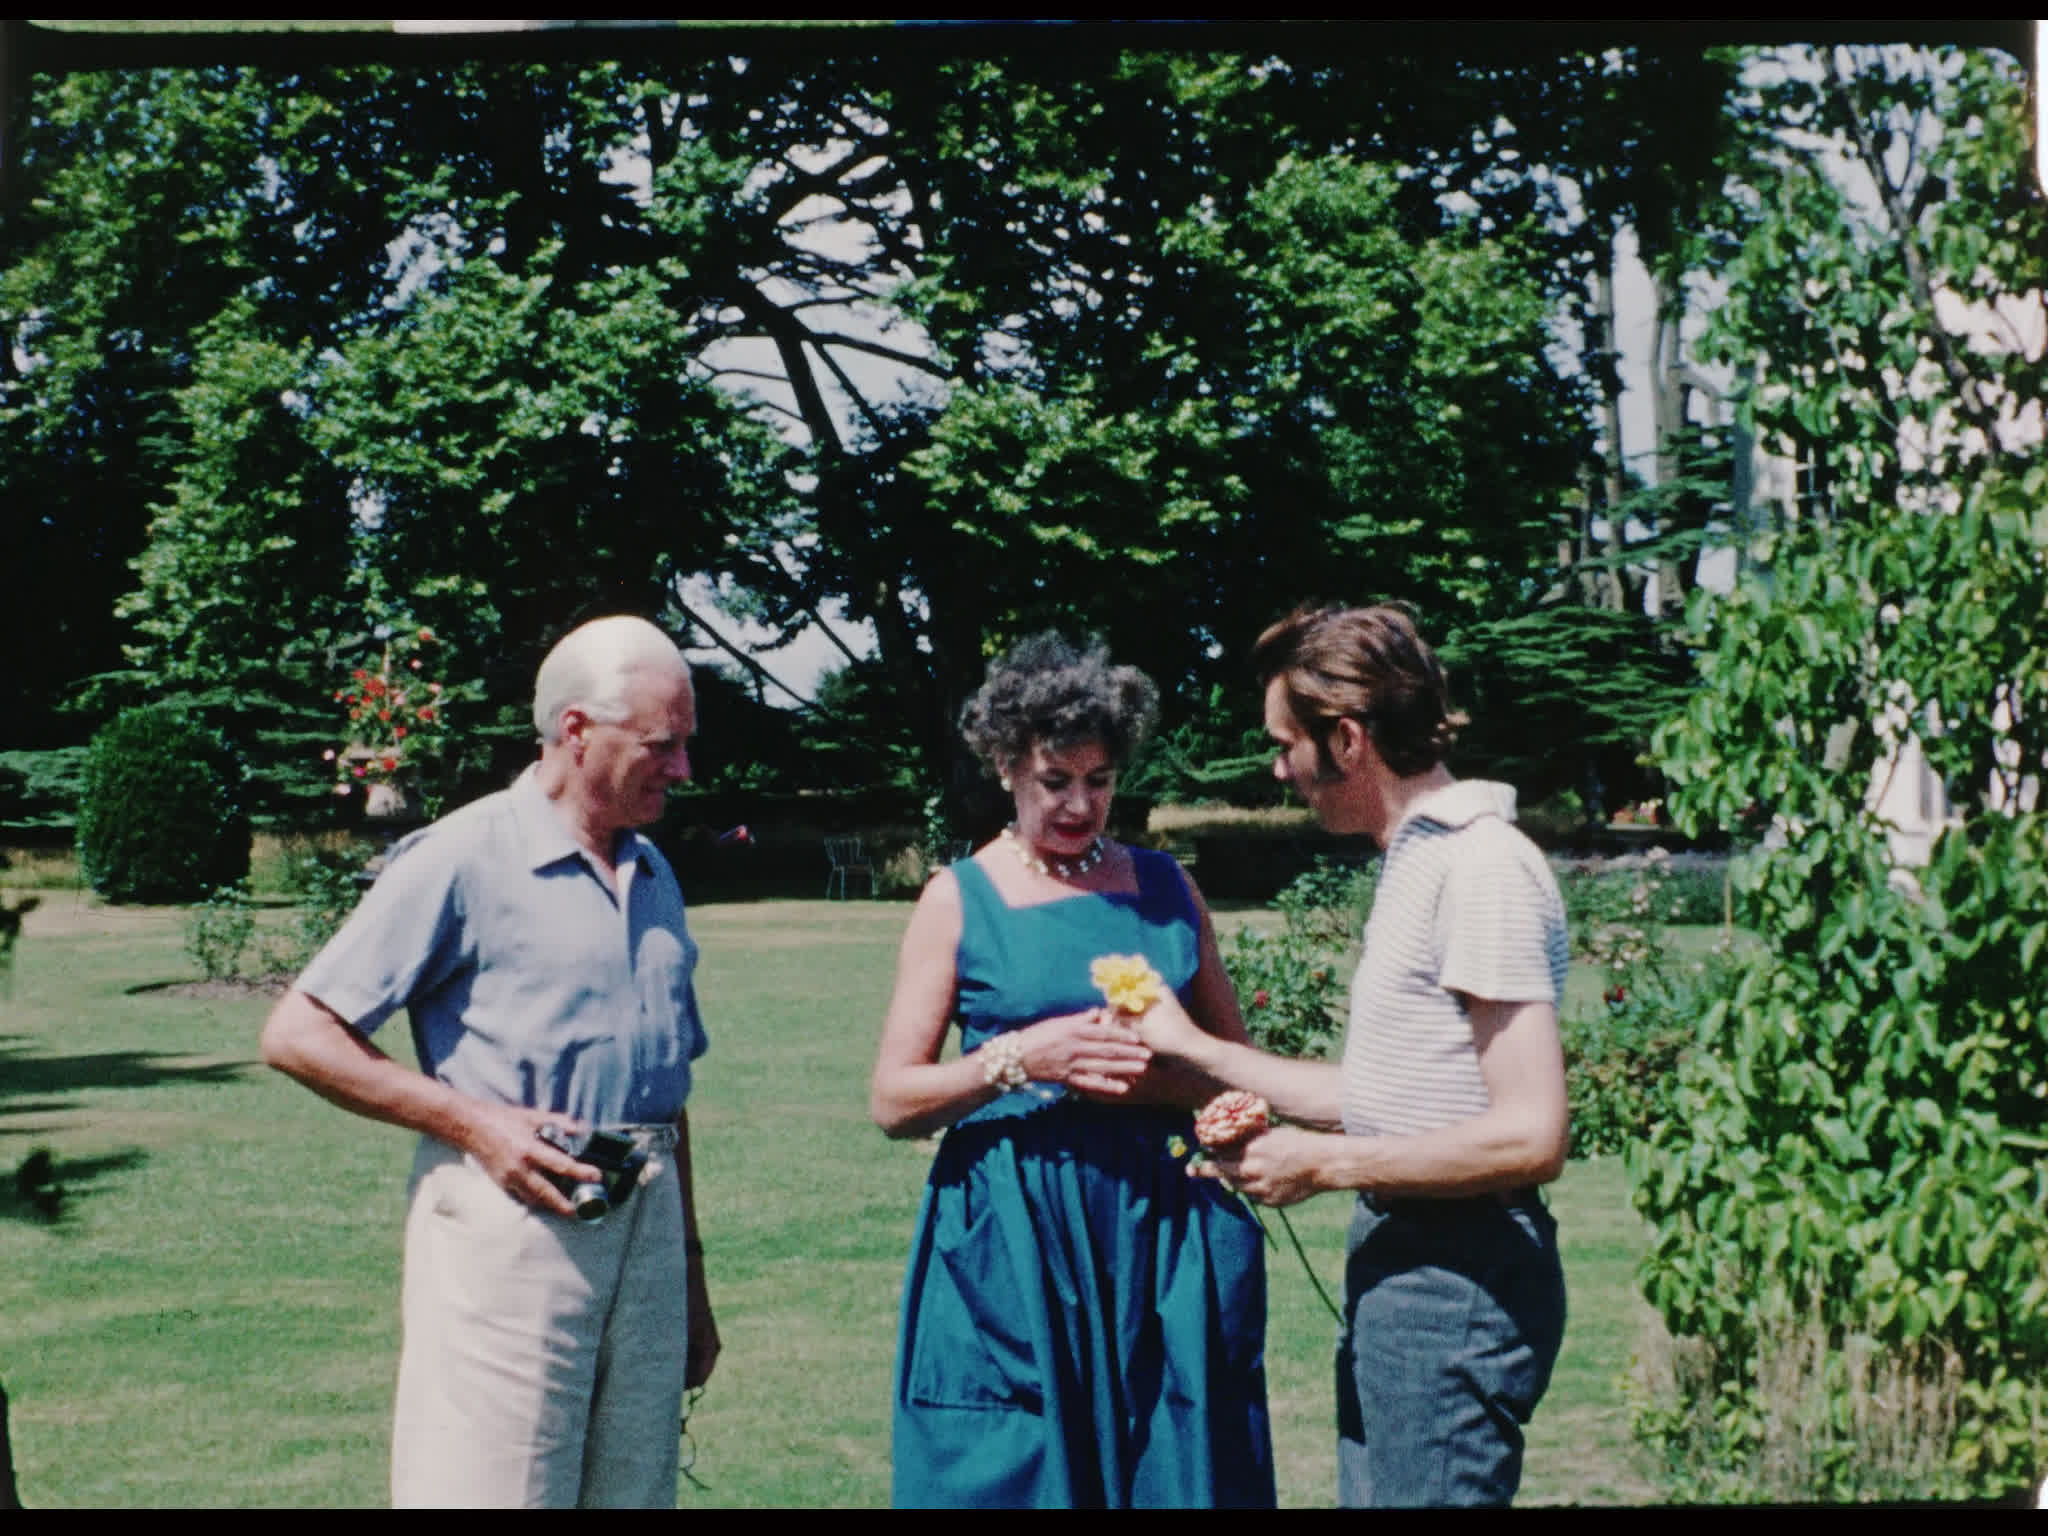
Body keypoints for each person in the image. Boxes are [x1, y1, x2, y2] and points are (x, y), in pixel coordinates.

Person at [260, 615, 719, 1508]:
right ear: (578, 732)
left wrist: (691, 1274)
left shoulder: (655, 873)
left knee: (633, 1494)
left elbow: (670, 1093)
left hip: (649, 1231)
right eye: (664, 745)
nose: (683, 770)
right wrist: (471, 1122)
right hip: (512, 1222)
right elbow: (298, 1033)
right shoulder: (464, 856)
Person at [1129, 604, 1570, 1508]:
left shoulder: (1480, 868)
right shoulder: (1416, 860)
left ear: (1349, 739)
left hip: (1459, 1274)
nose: (1277, 765)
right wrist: (1192, 1051)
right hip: (1407, 1265)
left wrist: (1323, 1164)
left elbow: (1532, 1134)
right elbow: (1383, 1096)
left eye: (1285, 741)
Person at [870, 633, 1275, 1509]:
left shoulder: (1168, 888)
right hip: (1016, 1228)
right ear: (1008, 768)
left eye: (1099, 780)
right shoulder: (958, 896)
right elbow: (894, 1100)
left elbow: (1237, 1075)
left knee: (1173, 1463)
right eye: (1056, 781)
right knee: (1021, 1470)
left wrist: (1166, 1084)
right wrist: (1024, 1059)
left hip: (1159, 1223)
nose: (1080, 804)